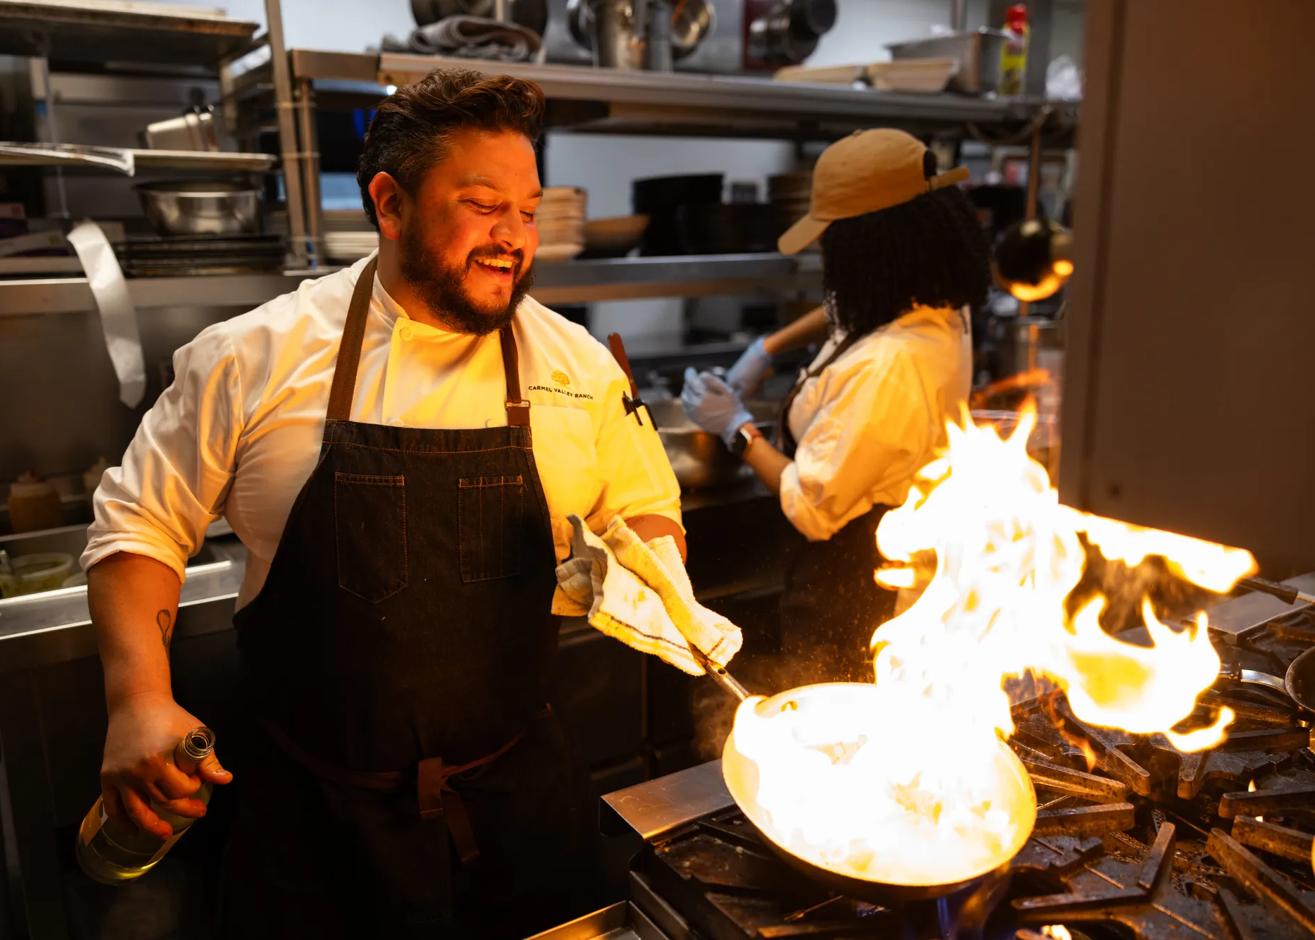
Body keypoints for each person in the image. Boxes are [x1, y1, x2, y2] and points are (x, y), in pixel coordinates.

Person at [81, 68, 685, 938]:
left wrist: (639, 568)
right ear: (389, 203)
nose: (513, 238)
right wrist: (137, 696)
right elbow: (141, 524)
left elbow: (645, 506)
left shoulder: (579, 368)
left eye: (527, 209)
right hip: (315, 827)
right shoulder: (253, 356)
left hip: (521, 810)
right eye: (483, 205)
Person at [682, 129, 989, 683]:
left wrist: (737, 429)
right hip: (869, 560)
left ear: (871, 248)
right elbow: (845, 309)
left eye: (831, 238)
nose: (824, 250)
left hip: (853, 587)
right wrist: (767, 348)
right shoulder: (937, 302)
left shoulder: (891, 364)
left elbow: (812, 505)